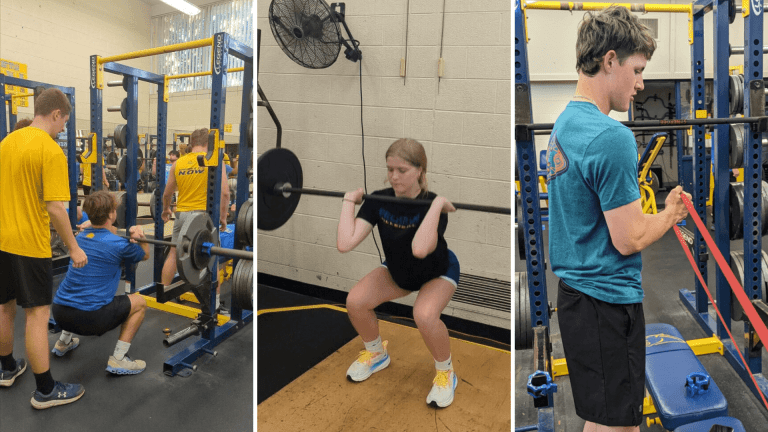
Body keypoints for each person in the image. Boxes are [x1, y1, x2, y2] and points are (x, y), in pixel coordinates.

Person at [546, 6, 690, 431]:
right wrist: (670, 214)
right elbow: (628, 239)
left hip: (575, 296)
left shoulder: (565, 124)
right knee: (620, 424)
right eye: (638, 69)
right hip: (607, 303)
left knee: (607, 418)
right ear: (610, 60)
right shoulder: (612, 137)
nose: (642, 84)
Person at [337, 138, 460, 408]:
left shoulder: (432, 206)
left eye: (401, 170)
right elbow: (345, 243)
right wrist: (349, 201)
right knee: (355, 302)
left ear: (420, 171)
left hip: (436, 272)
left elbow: (419, 249)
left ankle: (445, 373)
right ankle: (376, 354)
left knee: (424, 315)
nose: (394, 177)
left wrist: (438, 204)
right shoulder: (379, 199)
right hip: (398, 271)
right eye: (390, 169)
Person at [0, 88, 88, 409]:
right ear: (55, 114)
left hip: (2, 242)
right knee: (37, 316)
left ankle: (7, 367)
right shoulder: (50, 151)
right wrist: (74, 247)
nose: (64, 128)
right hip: (30, 245)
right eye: (64, 121)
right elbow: (55, 208)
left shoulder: (6, 143)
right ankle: (46, 390)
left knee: (4, 307)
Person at [50, 191, 149, 375]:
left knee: (77, 291)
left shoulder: (79, 238)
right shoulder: (119, 245)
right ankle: (119, 360)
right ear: (112, 214)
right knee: (140, 303)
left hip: (59, 313)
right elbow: (145, 254)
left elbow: (102, 234)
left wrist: (91, 226)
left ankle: (63, 342)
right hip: (91, 319)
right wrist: (140, 235)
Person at [160, 128, 229, 311]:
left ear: (192, 143)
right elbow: (224, 193)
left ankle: (163, 294)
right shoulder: (214, 160)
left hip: (181, 215)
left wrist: (166, 209)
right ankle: (214, 304)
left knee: (174, 253)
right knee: (211, 258)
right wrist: (223, 218)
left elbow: (167, 193)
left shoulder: (179, 163)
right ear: (208, 143)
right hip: (202, 218)